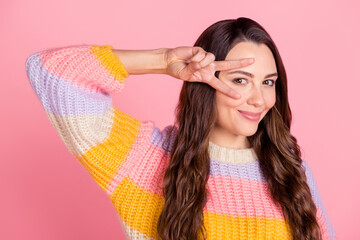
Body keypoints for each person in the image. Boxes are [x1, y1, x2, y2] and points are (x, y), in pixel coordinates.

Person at [25, 17, 335, 240]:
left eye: (268, 82)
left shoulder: (292, 172)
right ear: (203, 83)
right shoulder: (148, 161)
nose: (259, 99)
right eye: (240, 79)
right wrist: (162, 60)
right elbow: (51, 73)